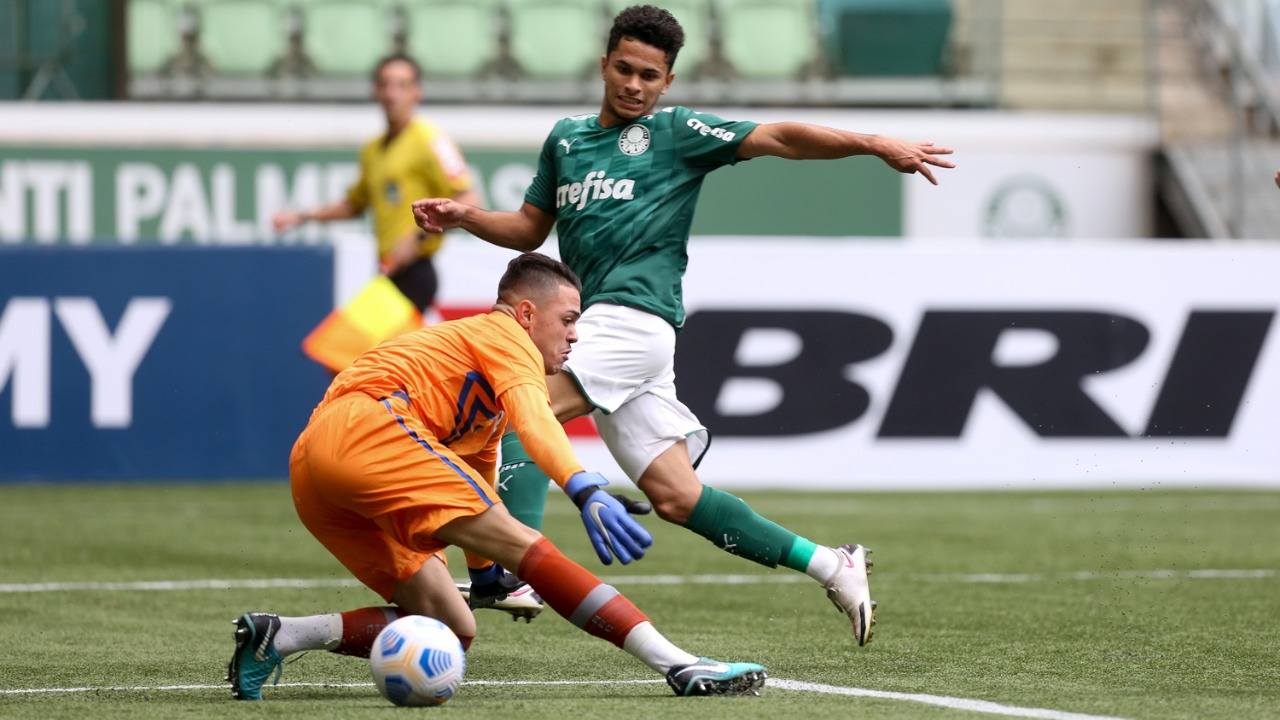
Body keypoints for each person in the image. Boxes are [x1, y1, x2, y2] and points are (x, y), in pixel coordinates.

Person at [413, 5, 957, 648]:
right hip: (603, 327)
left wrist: (875, 144)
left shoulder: (676, 133)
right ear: (604, 63)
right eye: (625, 69)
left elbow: (779, 138)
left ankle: (502, 574)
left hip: (632, 320)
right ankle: (830, 563)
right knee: (676, 495)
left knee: (515, 413)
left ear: (667, 81)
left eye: (650, 75)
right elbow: (532, 230)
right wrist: (464, 216)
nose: (635, 85)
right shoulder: (566, 139)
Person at [227, 253, 766, 701]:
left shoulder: (481, 374)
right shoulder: (506, 337)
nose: (576, 335)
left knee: (451, 629)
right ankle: (678, 664)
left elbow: (480, 473)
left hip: (318, 463)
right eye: (569, 319)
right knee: (530, 546)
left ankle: (282, 635)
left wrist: (485, 576)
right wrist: (581, 486)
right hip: (371, 427)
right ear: (527, 314)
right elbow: (536, 420)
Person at [273, 53, 479, 313]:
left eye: (402, 85)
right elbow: (354, 205)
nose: (393, 94)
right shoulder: (372, 150)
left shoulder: (431, 140)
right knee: (360, 349)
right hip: (388, 270)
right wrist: (302, 216)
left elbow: (469, 199)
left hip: (416, 271)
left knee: (363, 348)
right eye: (386, 84)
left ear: (417, 93)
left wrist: (418, 236)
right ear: (376, 91)